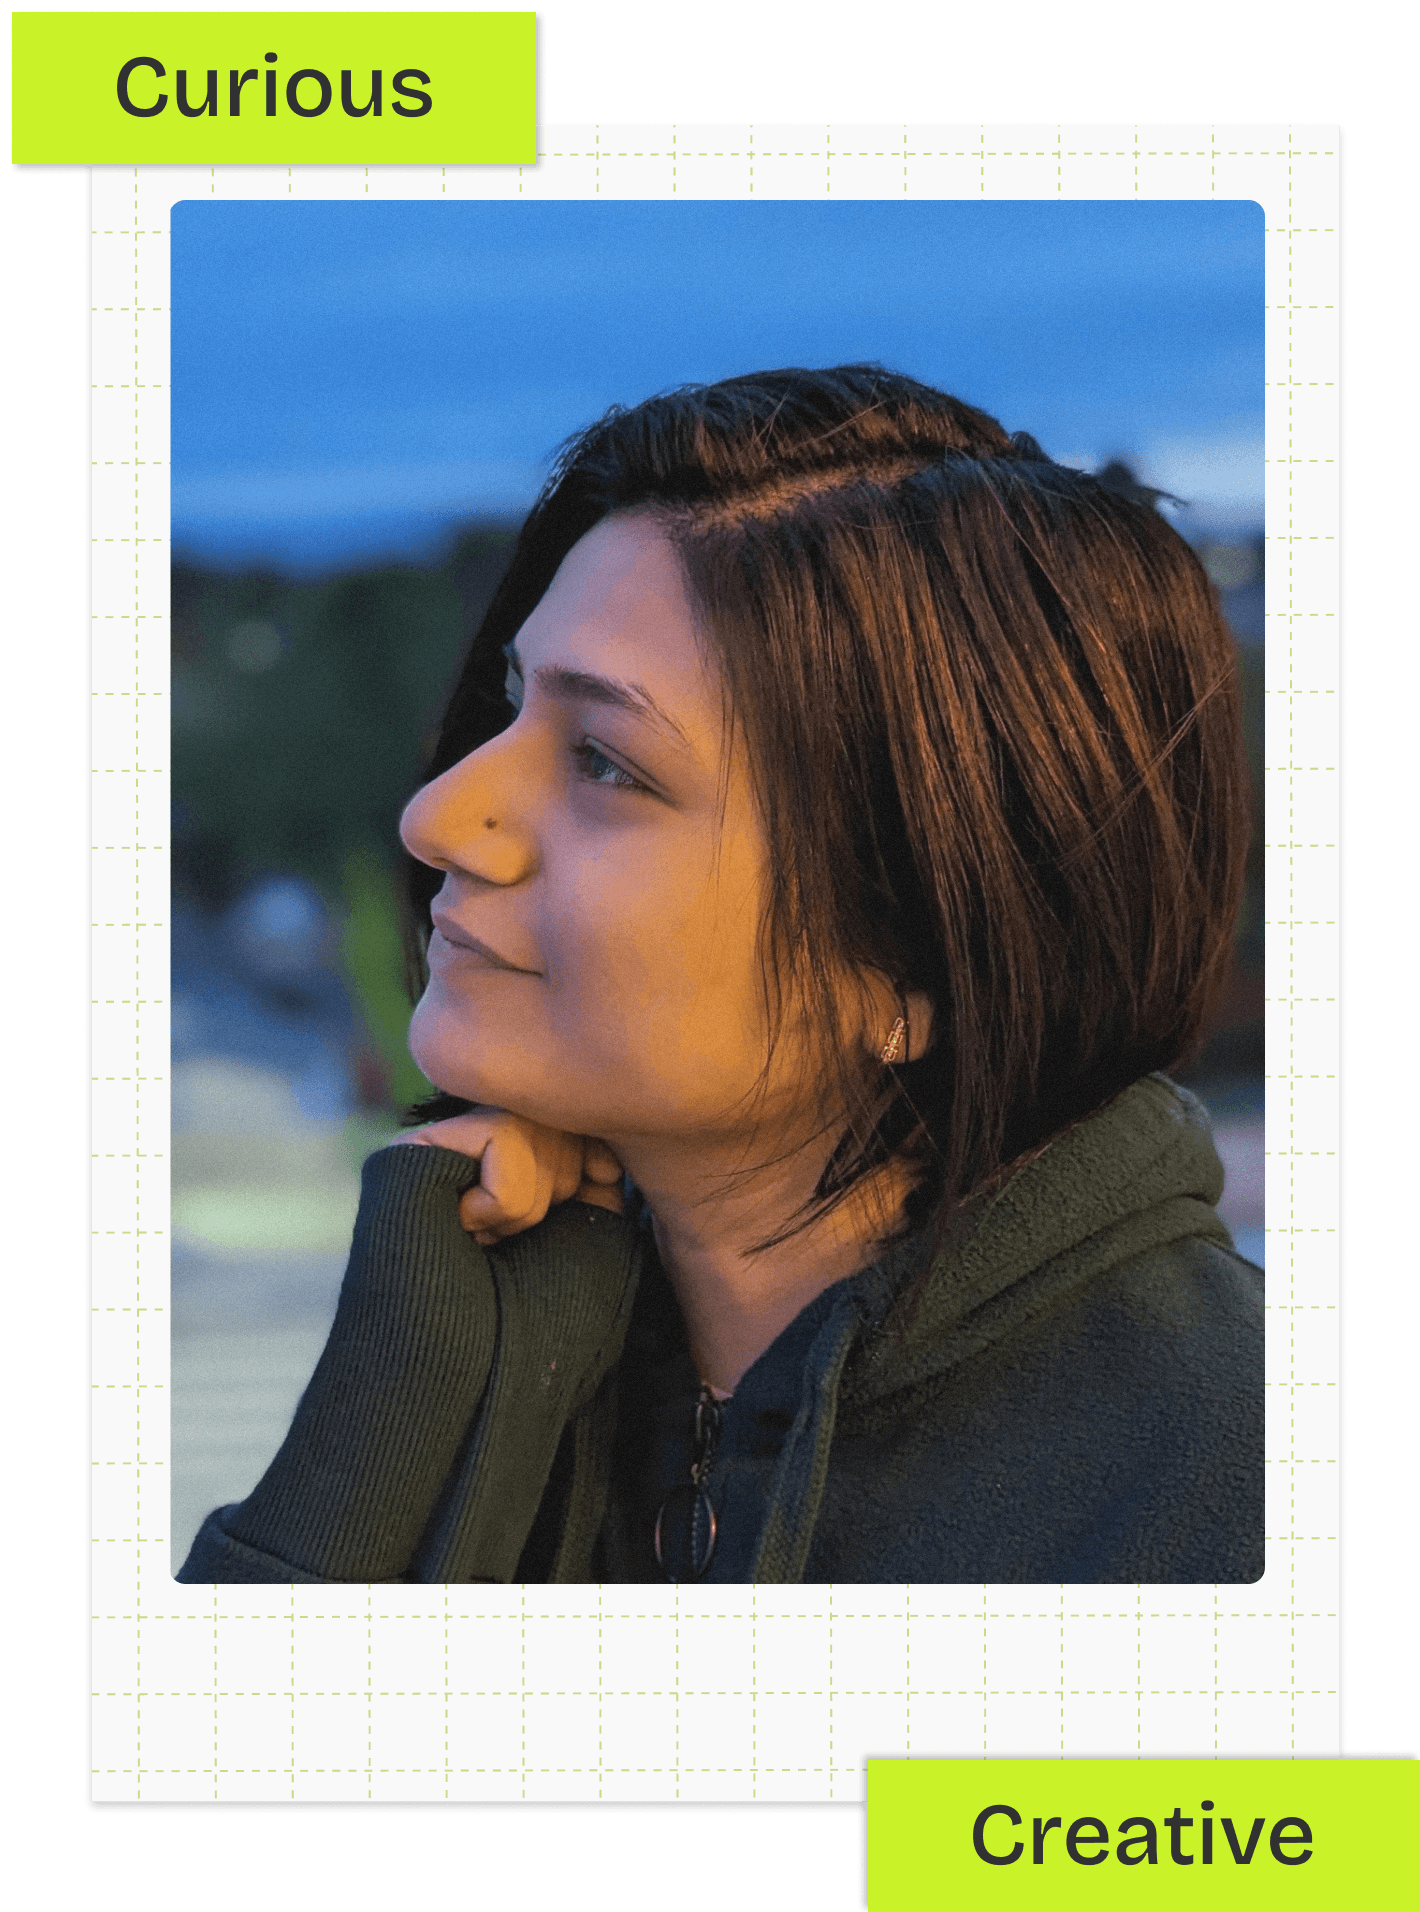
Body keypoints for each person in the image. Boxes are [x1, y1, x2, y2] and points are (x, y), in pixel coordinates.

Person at [178, 365, 1263, 1586]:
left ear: (913, 963)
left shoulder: (1250, 1499)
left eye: (605, 763)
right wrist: (380, 1429)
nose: (438, 812)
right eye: (506, 703)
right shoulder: (496, 1359)